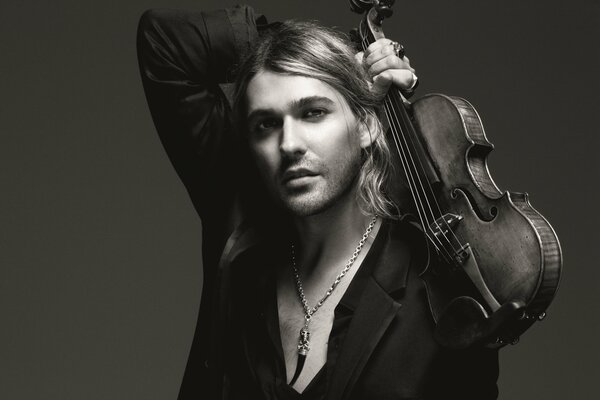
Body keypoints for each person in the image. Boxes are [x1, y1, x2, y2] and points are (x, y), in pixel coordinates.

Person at [137, 5, 499, 400]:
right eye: (266, 124)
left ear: (365, 125)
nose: (289, 144)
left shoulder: (439, 298)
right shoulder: (239, 222)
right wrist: (305, 50)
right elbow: (164, 39)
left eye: (313, 113)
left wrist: (335, 62)